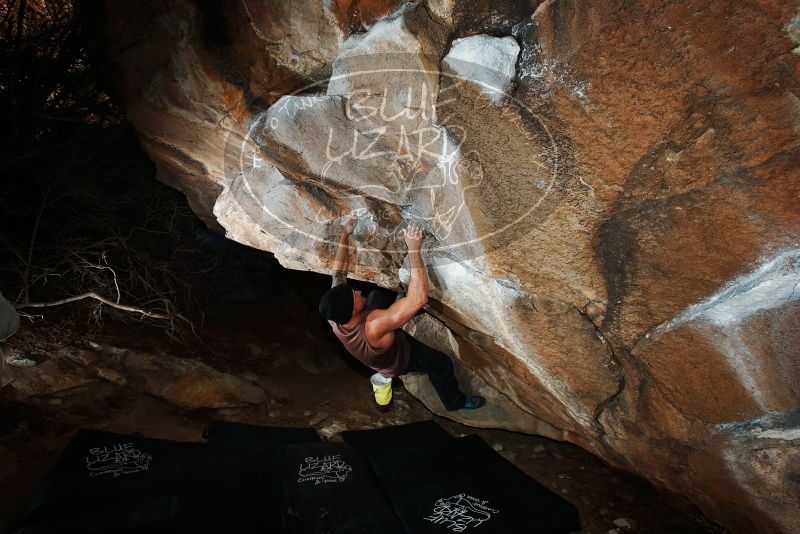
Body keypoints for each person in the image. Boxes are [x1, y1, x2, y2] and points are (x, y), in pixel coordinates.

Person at [318, 218, 485, 411]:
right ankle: (454, 402)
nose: (357, 291)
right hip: (400, 358)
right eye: (354, 296)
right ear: (352, 311)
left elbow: (338, 271)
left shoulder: (335, 316)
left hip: (377, 342)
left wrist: (345, 234)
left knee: (374, 296)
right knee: (442, 364)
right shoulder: (373, 325)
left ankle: (397, 313)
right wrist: (414, 249)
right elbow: (419, 299)